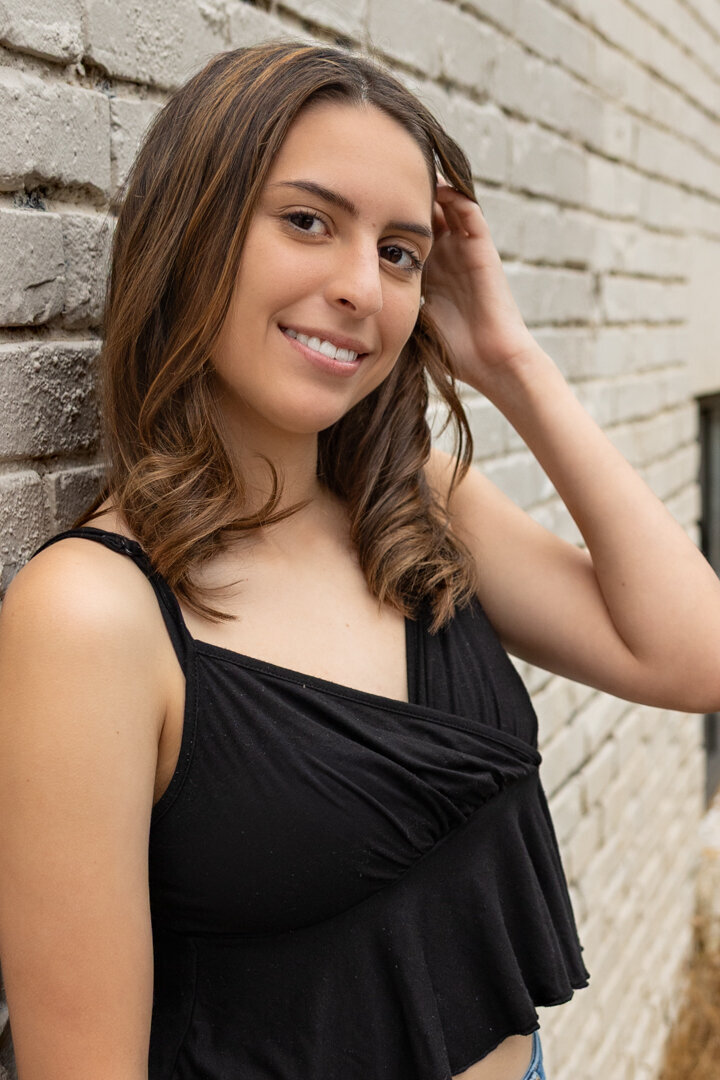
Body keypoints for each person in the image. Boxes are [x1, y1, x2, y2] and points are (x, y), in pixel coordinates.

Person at [1, 39, 719, 1080]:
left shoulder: (409, 500)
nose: (362, 288)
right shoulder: (92, 616)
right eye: (307, 221)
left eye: (400, 253)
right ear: (193, 228)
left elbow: (694, 657)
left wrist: (509, 360)